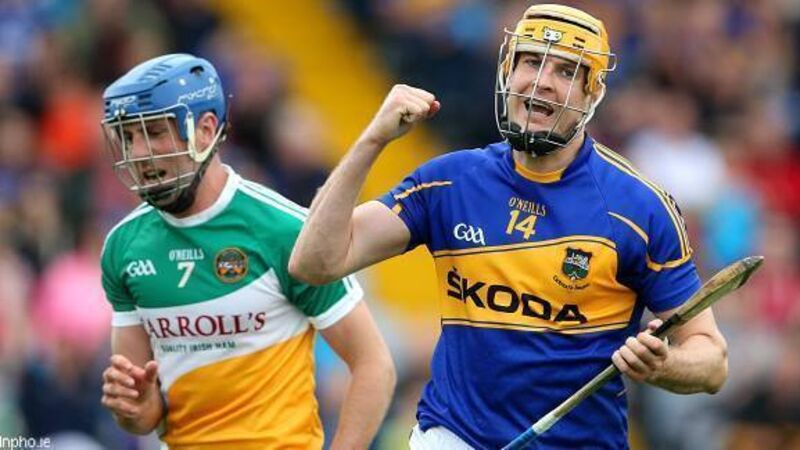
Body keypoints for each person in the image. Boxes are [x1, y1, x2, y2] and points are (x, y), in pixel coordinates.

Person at [289, 4, 728, 449]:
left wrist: (664, 365)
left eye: (566, 71)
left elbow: (711, 361)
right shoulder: (449, 182)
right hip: (452, 437)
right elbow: (315, 262)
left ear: (591, 93)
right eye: (531, 62)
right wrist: (372, 139)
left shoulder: (639, 208)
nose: (542, 82)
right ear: (507, 72)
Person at [98, 53, 396, 450]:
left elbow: (374, 365)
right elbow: (145, 415)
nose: (138, 153)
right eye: (129, 137)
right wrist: (133, 409)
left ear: (205, 130)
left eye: (153, 132)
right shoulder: (123, 246)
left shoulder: (284, 231)